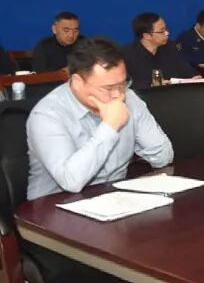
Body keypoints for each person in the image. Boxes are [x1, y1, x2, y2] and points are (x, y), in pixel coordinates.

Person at [27, 36, 173, 200]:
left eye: (122, 84)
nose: (118, 94)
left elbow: (163, 157)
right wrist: (110, 127)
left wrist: (147, 140)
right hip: (54, 206)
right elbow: (71, 181)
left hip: (115, 199)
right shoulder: (47, 115)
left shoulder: (129, 98)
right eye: (108, 88)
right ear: (77, 82)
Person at [123, 12, 197, 88]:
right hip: (142, 95)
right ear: (147, 36)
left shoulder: (170, 47)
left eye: (166, 29)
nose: (167, 33)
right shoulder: (126, 55)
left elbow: (184, 68)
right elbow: (124, 84)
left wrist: (194, 76)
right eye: (162, 31)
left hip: (172, 93)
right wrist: (151, 85)